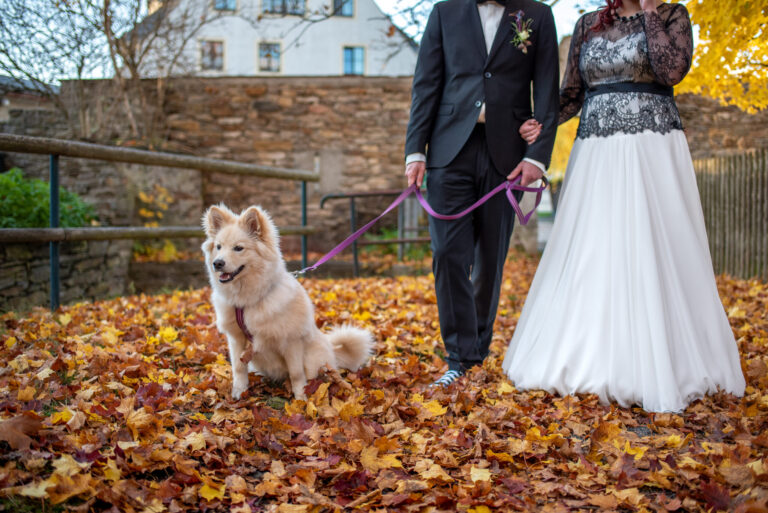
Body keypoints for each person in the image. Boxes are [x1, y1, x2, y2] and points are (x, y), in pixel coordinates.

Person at [504, 0, 746, 412]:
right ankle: (593, 354)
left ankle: (663, 361)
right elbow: (573, 93)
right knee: (597, 250)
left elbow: (672, 71)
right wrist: (542, 122)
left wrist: (650, 10)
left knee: (657, 246)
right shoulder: (587, 24)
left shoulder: (673, 16)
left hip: (653, 148)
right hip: (596, 153)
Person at [404, 0, 560, 387]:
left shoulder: (537, 15)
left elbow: (547, 90)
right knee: (447, 254)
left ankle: (476, 353)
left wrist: (537, 158)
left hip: (506, 153)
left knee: (490, 259)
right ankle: (460, 357)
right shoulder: (444, 12)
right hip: (447, 151)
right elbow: (426, 83)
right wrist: (415, 150)